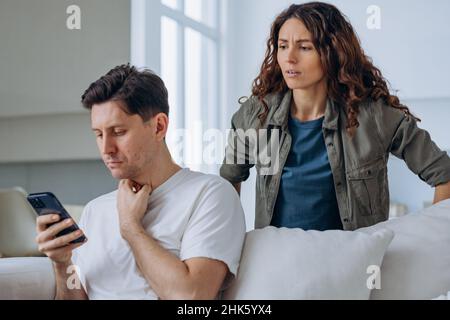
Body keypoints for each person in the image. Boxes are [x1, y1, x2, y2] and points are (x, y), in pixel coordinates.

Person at [220, 2, 450, 231]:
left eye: (304, 47)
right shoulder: (255, 114)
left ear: (333, 52)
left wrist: (425, 241)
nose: (289, 57)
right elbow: (228, 184)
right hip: (276, 261)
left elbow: (445, 175)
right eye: (282, 46)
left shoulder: (375, 117)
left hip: (352, 263)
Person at [35, 64, 246, 300]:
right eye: (99, 134)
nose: (106, 149)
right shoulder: (95, 211)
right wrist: (62, 263)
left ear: (159, 126)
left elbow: (192, 297)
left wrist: (130, 228)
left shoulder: (211, 194)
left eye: (118, 131)